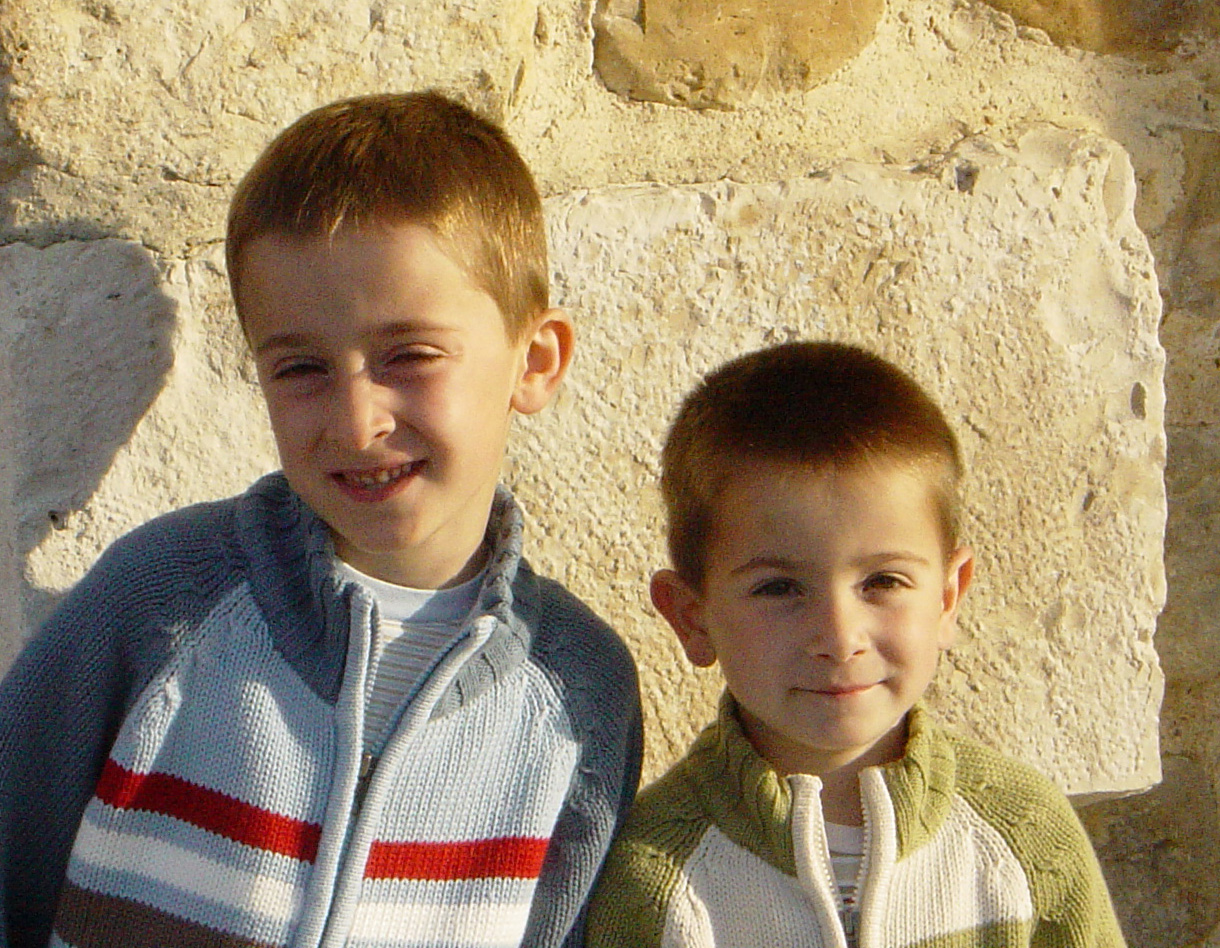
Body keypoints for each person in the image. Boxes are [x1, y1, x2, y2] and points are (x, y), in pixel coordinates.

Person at [0, 91, 642, 948]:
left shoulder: (578, 695)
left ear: (535, 361)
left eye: (409, 356)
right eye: (301, 368)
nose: (355, 420)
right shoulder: (161, 602)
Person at [587, 341, 1125, 947]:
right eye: (779, 588)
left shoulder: (1028, 838)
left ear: (948, 597)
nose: (840, 639)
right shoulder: (654, 874)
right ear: (692, 616)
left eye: (882, 582)